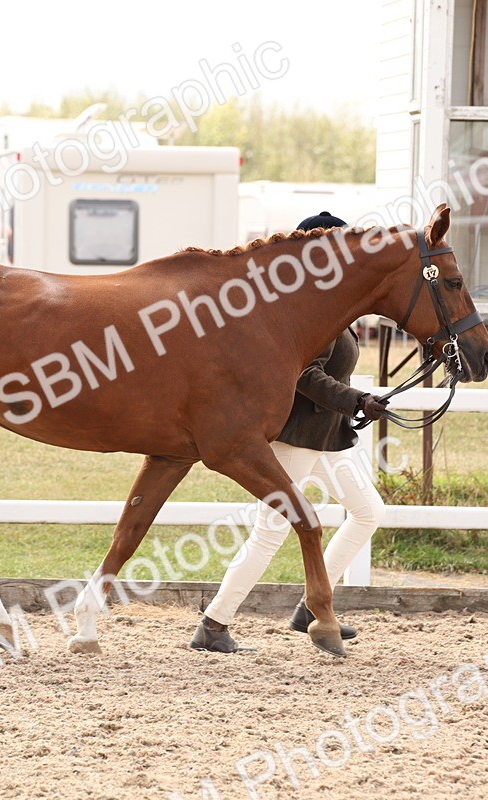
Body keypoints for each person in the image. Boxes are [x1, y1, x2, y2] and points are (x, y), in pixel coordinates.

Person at [190, 212, 390, 653]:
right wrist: (356, 400)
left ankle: (313, 606)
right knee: (272, 531)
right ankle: (214, 623)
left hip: (328, 435)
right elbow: (305, 374)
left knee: (368, 512)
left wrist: (354, 404)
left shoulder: (334, 300)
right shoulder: (308, 305)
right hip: (298, 435)